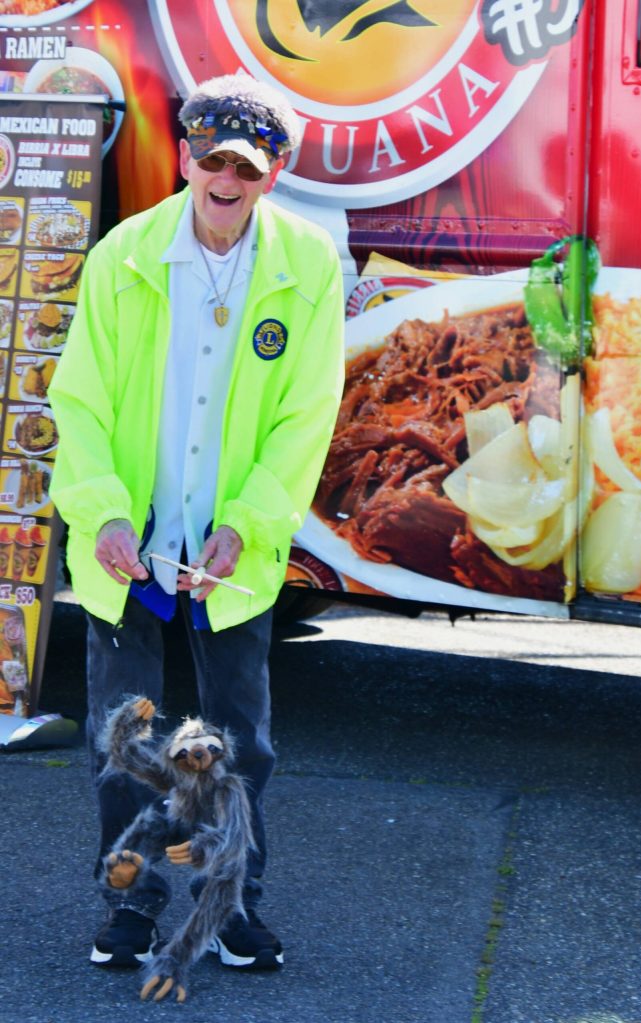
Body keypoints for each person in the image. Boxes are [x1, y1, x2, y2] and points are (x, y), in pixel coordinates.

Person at [48, 72, 345, 972]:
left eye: (247, 166)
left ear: (275, 171)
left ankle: (229, 905)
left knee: (239, 744)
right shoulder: (124, 255)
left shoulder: (308, 265)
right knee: (127, 741)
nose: (226, 180)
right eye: (211, 159)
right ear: (184, 158)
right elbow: (83, 402)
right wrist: (101, 514)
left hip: (230, 553)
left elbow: (306, 413)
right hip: (127, 547)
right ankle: (130, 902)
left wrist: (250, 525)